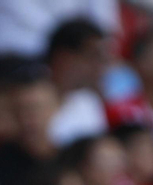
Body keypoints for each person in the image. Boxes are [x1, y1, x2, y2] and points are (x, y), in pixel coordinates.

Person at [45, 17, 112, 148]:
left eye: (103, 59)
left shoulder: (88, 102)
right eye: (93, 57)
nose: (100, 67)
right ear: (63, 58)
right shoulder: (30, 97)